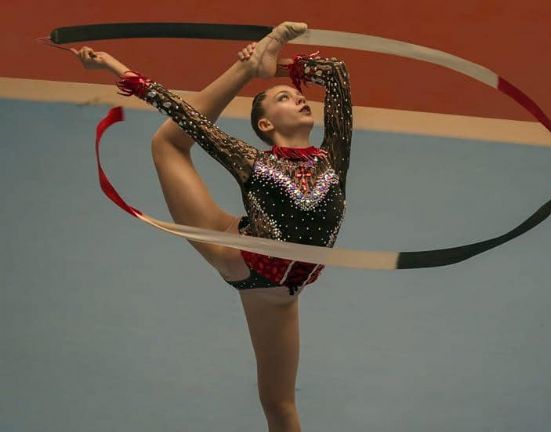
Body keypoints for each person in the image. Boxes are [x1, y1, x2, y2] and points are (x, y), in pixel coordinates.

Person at [72, 21, 352, 432]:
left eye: (297, 95)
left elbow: (336, 74)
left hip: (282, 290)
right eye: (283, 98)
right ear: (265, 126)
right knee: (167, 143)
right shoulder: (255, 163)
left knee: (279, 404)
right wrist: (116, 68)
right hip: (249, 266)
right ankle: (244, 69)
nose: (298, 98)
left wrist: (275, 66)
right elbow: (185, 116)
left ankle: (253, 66)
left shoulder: (334, 158)